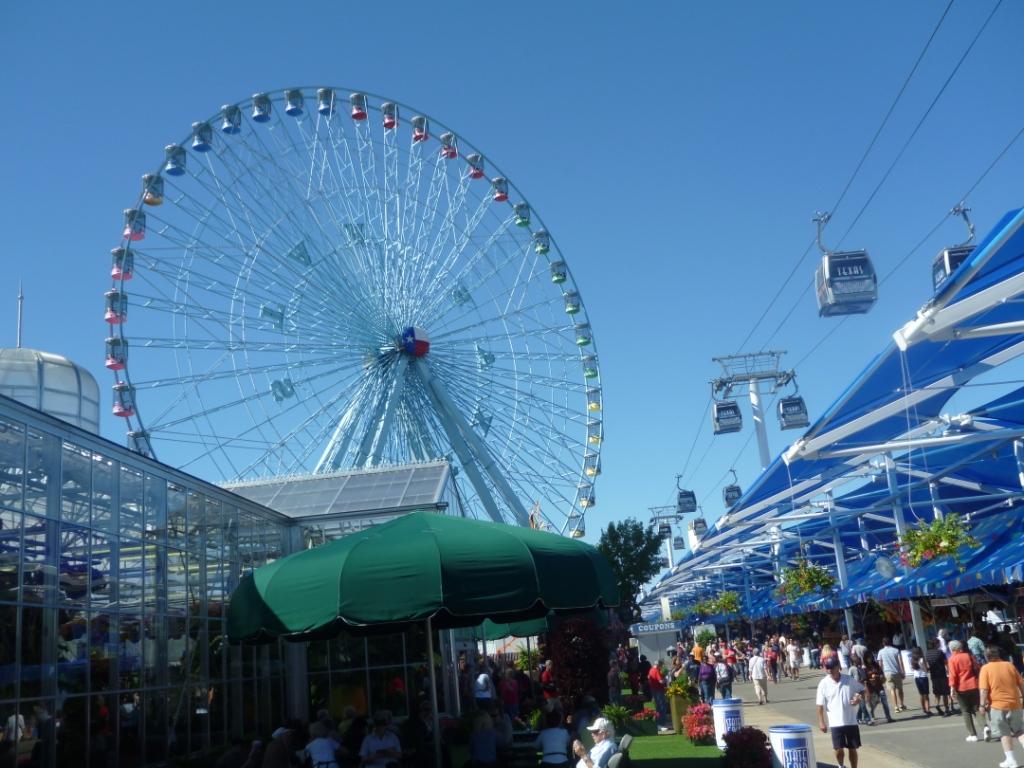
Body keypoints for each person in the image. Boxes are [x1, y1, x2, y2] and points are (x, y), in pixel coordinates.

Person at [816, 657, 865, 768]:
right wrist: (821, 722)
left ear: (838, 667)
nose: (829, 670)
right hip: (835, 723)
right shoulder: (823, 683)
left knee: (852, 748)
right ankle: (841, 765)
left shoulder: (849, 680)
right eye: (827, 668)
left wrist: (859, 698)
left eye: (831, 668)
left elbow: (862, 689)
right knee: (838, 749)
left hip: (851, 721)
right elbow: (819, 705)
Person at [980, 645, 1024, 768]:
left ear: (986, 656)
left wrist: (982, 705)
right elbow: (1021, 683)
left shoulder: (985, 668)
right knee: (1020, 730)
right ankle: (1010, 760)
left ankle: (1011, 760)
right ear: (998, 655)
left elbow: (983, 690)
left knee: (1004, 733)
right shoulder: (1009, 665)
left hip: (997, 705)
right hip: (1014, 703)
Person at [948, 640, 983, 742]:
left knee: (965, 711)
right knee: (976, 708)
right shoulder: (968, 655)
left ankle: (973, 734)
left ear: (952, 649)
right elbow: (977, 667)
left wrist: (952, 688)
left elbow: (952, 675)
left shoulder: (952, 659)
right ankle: (985, 727)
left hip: (961, 687)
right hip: (974, 685)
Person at [876, 637, 906, 713]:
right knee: (900, 689)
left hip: (887, 673)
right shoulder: (896, 650)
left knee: (892, 690)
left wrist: (880, 673)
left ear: (883, 643)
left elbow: (880, 664)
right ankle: (901, 704)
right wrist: (902, 672)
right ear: (891, 642)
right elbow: (900, 662)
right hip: (896, 672)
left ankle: (895, 707)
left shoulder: (881, 652)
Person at [926, 637, 953, 717]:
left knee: (937, 693)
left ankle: (937, 705)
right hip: (942, 675)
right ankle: (947, 709)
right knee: (945, 693)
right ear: (936, 644)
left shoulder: (927, 653)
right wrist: (948, 671)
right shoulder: (940, 652)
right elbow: (945, 662)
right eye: (938, 643)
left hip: (933, 676)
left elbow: (927, 665)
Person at [864, 657, 893, 724]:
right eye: (868, 657)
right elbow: (865, 679)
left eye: (870, 657)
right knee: (874, 703)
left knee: (884, 702)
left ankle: (888, 717)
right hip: (871, 687)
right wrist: (867, 688)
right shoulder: (865, 667)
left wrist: (880, 676)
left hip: (879, 686)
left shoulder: (876, 665)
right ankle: (871, 715)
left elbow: (881, 673)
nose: (869, 659)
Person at [910, 646, 932, 716]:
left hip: (916, 677)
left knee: (921, 694)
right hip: (923, 677)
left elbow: (912, 669)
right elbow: (925, 670)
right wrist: (928, 668)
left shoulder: (912, 660)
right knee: (926, 694)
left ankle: (923, 709)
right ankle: (928, 709)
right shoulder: (922, 659)